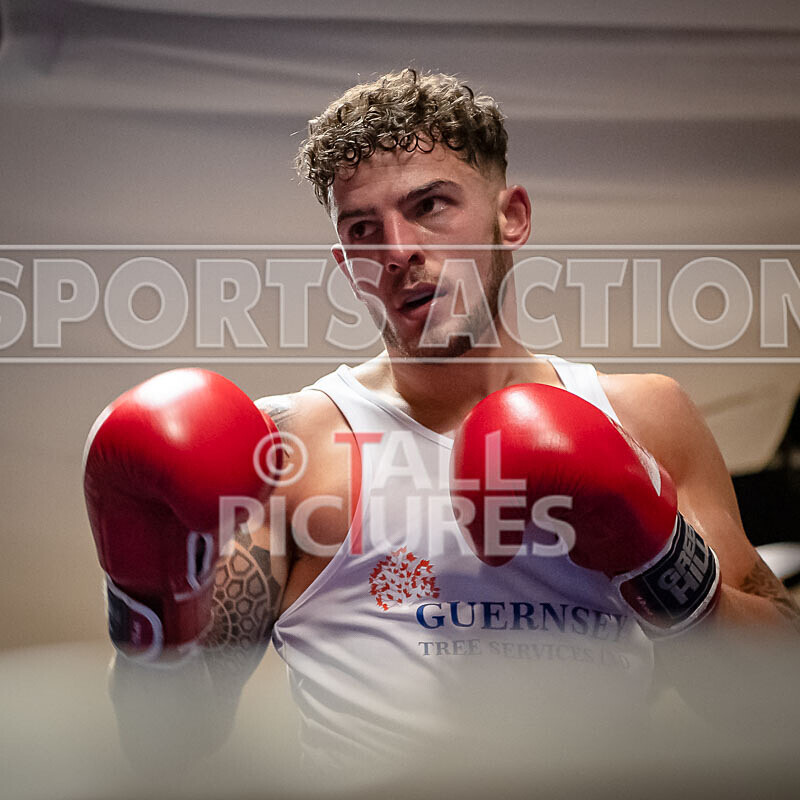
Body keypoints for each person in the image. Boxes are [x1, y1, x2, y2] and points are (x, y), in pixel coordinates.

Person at [85, 69, 799, 778]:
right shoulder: (287, 450)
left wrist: (661, 556)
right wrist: (146, 599)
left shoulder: (644, 417)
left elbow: (774, 704)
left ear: (511, 216)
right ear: (347, 265)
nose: (397, 251)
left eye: (429, 205)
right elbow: (166, 741)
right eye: (363, 229)